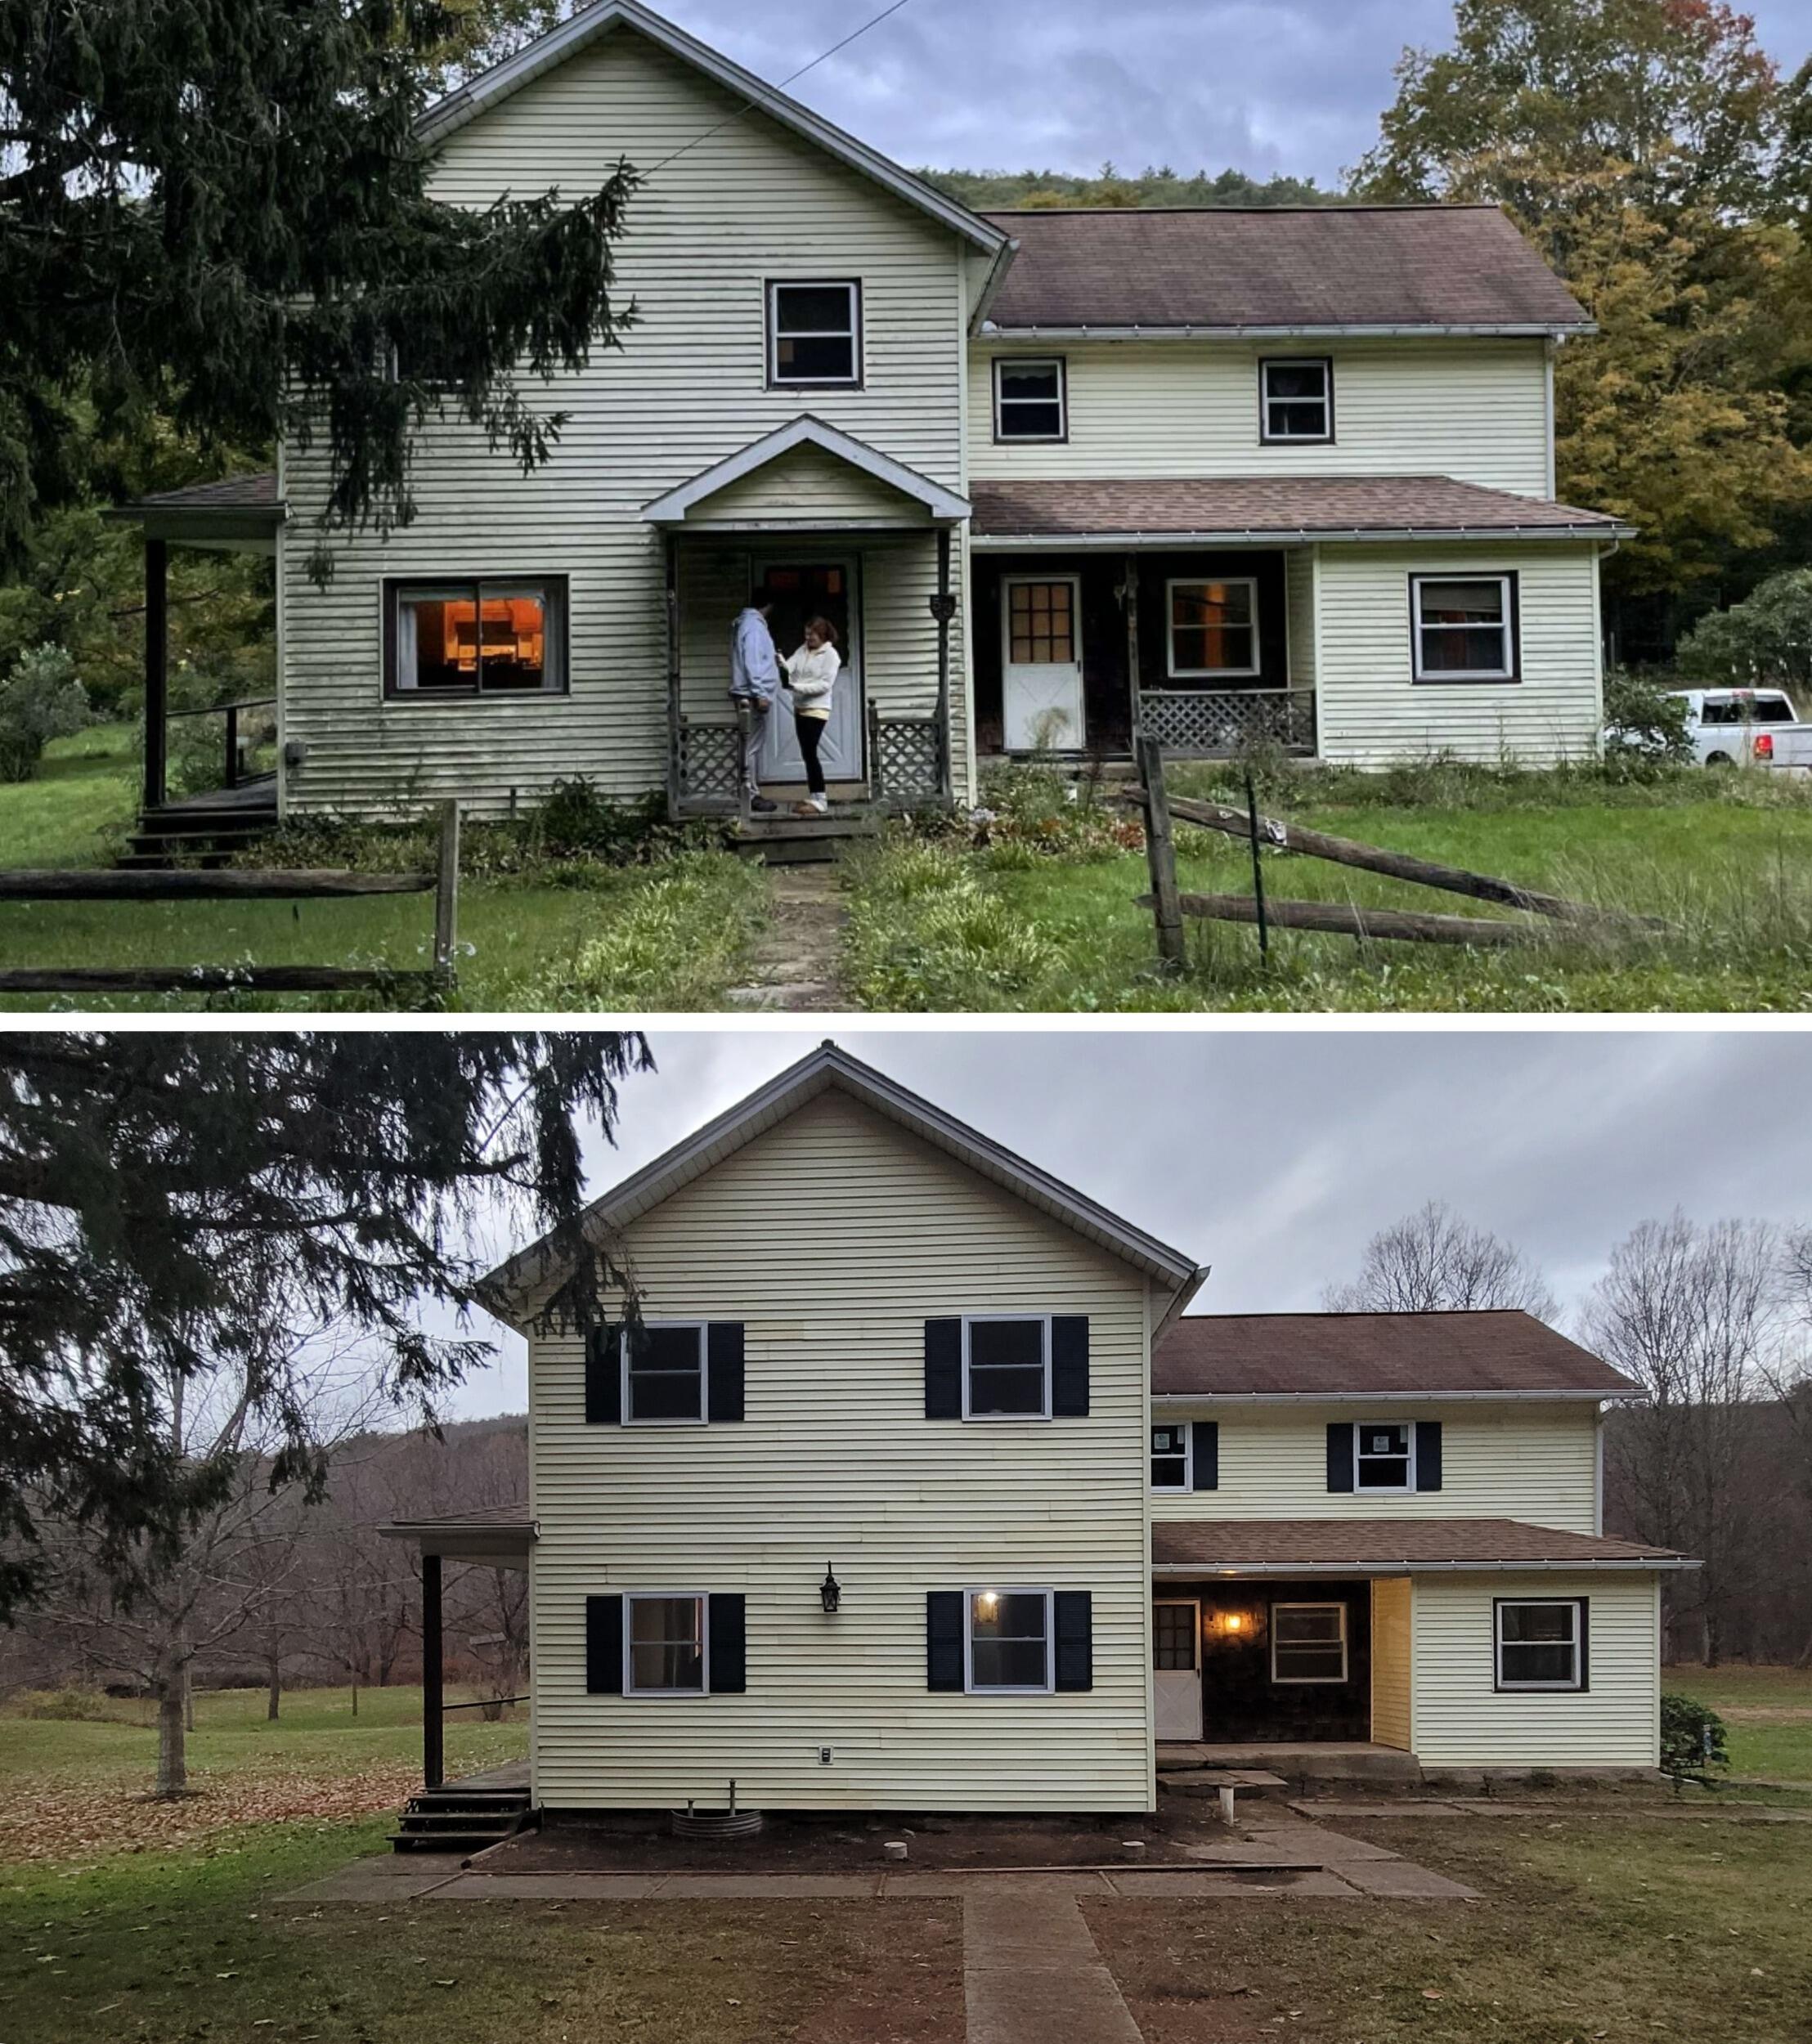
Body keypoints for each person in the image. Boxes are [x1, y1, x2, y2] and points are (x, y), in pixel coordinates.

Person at [783, 616, 841, 815]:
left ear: (823, 635)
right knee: (807, 755)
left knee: (810, 753)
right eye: (806, 634)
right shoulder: (803, 650)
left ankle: (821, 800)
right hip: (800, 708)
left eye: (812, 635)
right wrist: (781, 664)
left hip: (817, 710)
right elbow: (791, 666)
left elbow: (824, 685)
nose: (808, 638)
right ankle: (815, 796)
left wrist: (796, 687)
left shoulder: (831, 656)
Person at [729, 594, 782, 813]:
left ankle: (749, 791)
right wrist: (760, 693)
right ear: (767, 605)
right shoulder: (754, 627)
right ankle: (749, 794)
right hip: (751, 696)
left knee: (750, 745)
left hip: (748, 694)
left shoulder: (745, 624)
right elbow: (752, 660)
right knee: (751, 746)